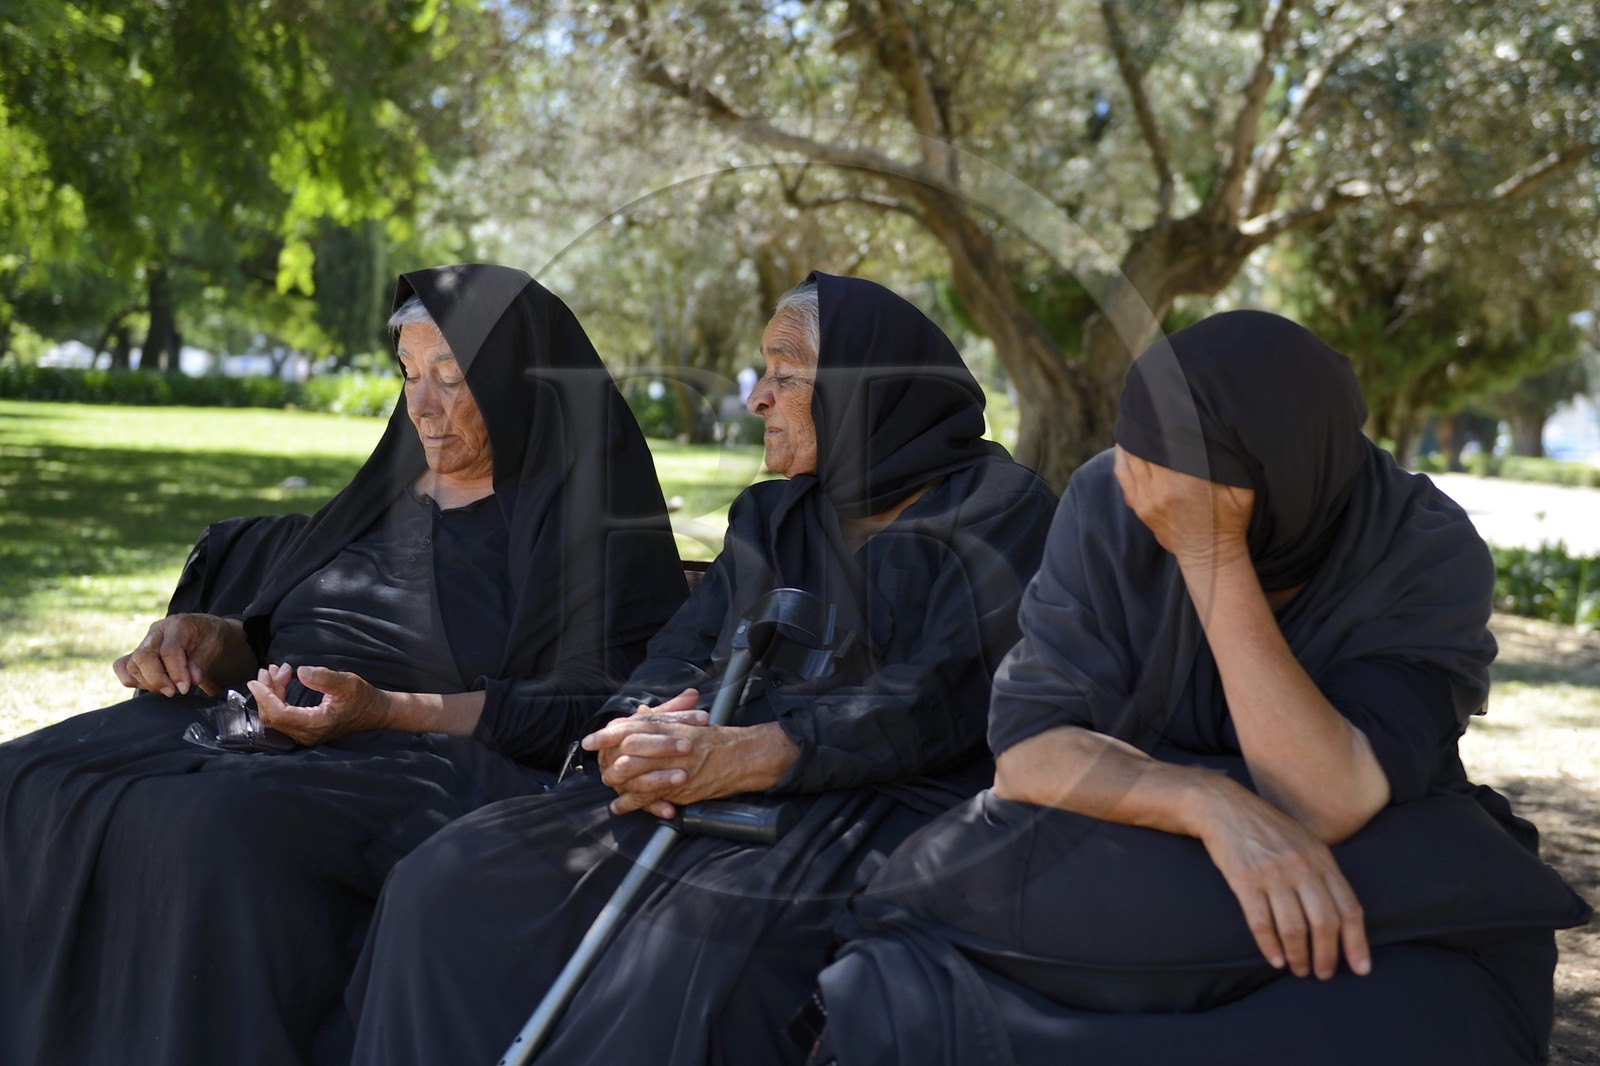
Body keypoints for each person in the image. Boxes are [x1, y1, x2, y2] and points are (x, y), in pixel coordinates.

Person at [806, 310, 1593, 1066]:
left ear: (1288, 465)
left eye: (1190, 479)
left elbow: (1324, 797)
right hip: (1145, 820)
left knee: (1421, 1010)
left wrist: (1212, 555)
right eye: (1138, 459)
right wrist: (1210, 806)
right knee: (946, 897)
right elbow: (1029, 753)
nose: (1153, 497)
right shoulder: (1114, 494)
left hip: (1360, 842)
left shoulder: (1422, 546)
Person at [343, 272, 1059, 1066]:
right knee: (447, 878)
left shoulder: (1001, 509)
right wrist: (642, 727)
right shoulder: (774, 514)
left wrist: (761, 751)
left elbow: (940, 694)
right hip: (706, 772)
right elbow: (680, 651)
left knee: (690, 955)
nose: (758, 398)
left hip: (880, 799)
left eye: (785, 377)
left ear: (866, 388)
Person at [0, 264, 687, 1066]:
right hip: (271, 719)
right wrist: (219, 639)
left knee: (208, 833)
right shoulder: (384, 493)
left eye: (450, 378)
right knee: (27, 778)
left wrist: (387, 709)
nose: (421, 405)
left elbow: (589, 709)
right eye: (407, 375)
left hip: (429, 751)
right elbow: (281, 624)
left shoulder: (587, 522)